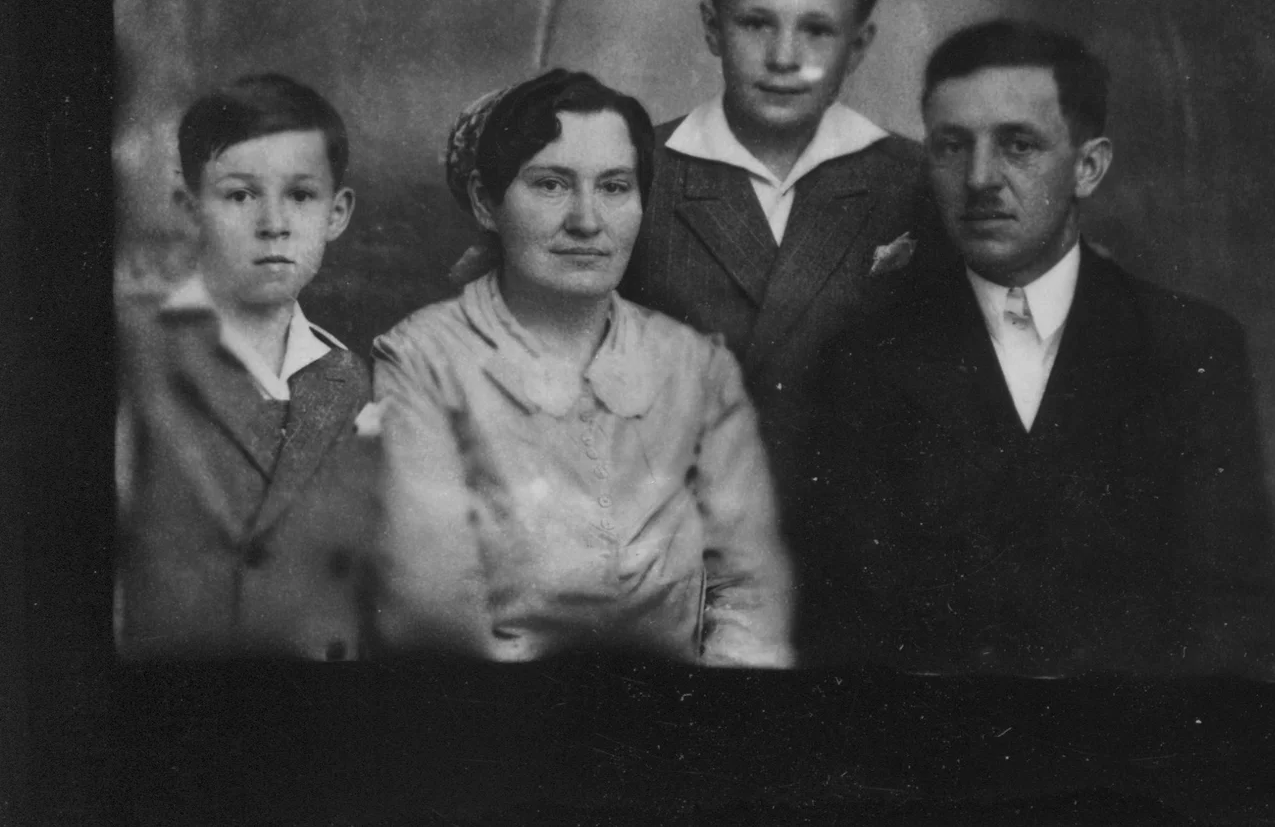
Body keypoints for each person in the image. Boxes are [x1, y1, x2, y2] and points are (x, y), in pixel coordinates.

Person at [806, 20, 1275, 677]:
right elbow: (840, 633)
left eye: (1018, 145)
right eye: (952, 146)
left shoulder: (1187, 348)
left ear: (1088, 168)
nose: (980, 178)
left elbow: (1241, 616)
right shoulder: (863, 361)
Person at [369, 69, 793, 666]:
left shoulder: (696, 366)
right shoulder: (420, 361)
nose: (587, 221)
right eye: (551, 184)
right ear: (485, 202)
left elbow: (747, 587)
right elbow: (433, 600)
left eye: (615, 187)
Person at [620, 0, 932, 513]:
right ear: (712, 28)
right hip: (674, 537)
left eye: (817, 30)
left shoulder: (919, 183)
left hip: (863, 540)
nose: (784, 56)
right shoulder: (633, 172)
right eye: (756, 23)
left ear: (858, 45)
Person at [115, 73, 373, 661]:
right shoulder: (136, 353)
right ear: (190, 210)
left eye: (301, 196)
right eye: (239, 196)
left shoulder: (346, 376)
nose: (274, 223)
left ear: (337, 213)